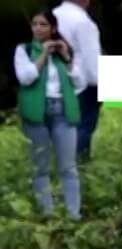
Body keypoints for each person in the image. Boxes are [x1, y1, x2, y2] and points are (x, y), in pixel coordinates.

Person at [14, 10, 82, 219]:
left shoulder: (63, 52)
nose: (38, 28)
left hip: (62, 110)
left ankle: (73, 214)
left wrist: (67, 57)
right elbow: (25, 78)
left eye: (43, 25)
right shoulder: (24, 50)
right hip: (37, 113)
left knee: (68, 167)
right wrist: (43, 54)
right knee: (40, 167)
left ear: (53, 29)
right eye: (35, 24)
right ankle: (48, 213)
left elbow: (79, 83)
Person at [49, 0, 97, 163]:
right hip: (81, 82)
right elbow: (92, 61)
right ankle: (77, 166)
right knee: (83, 126)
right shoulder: (83, 22)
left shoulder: (51, 16)